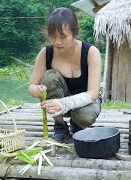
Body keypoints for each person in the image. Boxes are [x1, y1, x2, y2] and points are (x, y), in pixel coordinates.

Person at [28, 7, 102, 143]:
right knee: (49, 76)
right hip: (57, 106)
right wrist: (37, 90)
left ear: (75, 33)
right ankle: (60, 126)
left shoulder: (91, 52)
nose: (57, 42)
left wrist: (63, 103)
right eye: (53, 36)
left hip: (84, 103)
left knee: (84, 117)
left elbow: (93, 93)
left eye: (63, 36)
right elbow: (32, 86)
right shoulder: (45, 54)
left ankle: (77, 124)